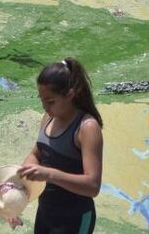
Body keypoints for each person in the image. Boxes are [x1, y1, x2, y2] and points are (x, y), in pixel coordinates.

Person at [19, 57, 104, 234]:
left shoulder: (86, 128)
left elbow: (93, 186)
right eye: (42, 100)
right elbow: (37, 154)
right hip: (46, 215)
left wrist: (49, 174)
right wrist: (20, 185)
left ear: (70, 95)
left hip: (75, 219)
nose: (45, 107)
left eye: (50, 102)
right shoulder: (48, 118)